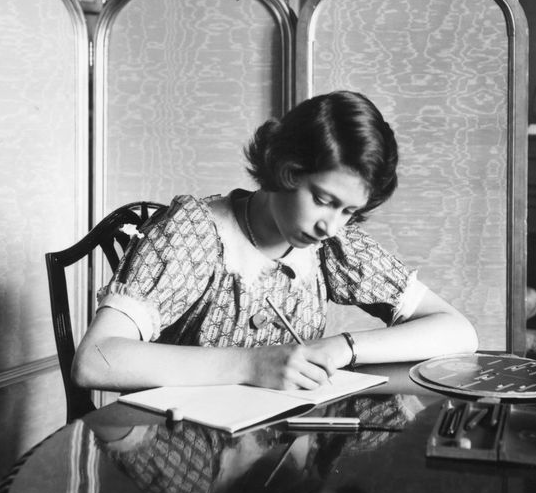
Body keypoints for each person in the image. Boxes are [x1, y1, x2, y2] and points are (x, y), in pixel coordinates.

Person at [73, 90, 479, 393]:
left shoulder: (330, 246)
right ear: (287, 170)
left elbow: (459, 332)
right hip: (188, 457)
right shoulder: (196, 233)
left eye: (349, 211)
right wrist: (251, 365)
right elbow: (94, 360)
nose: (332, 227)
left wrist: (343, 347)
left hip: (281, 454)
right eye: (323, 200)